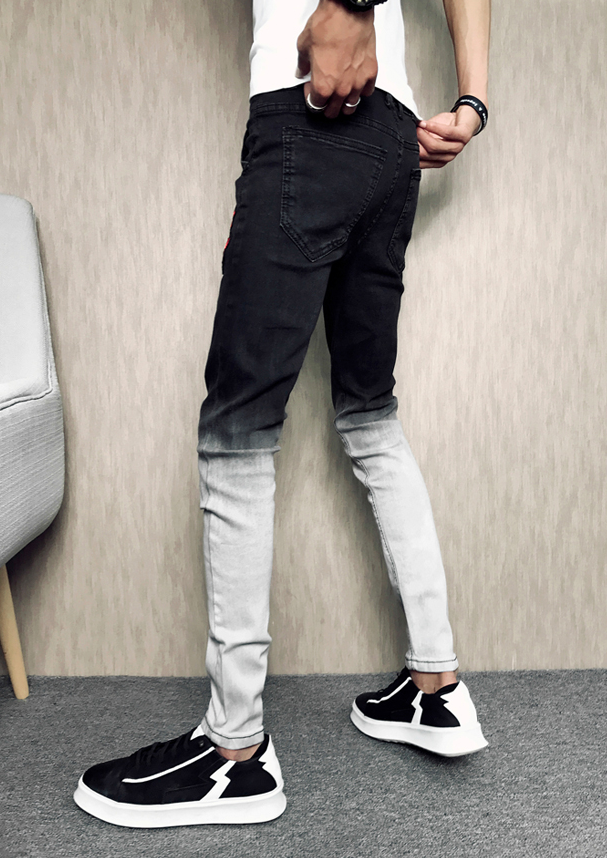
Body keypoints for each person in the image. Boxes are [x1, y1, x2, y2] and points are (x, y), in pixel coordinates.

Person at [73, 0, 491, 828]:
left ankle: (233, 755)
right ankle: (434, 686)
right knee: (369, 414)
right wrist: (473, 102)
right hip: (392, 140)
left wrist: (348, 6)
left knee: (237, 431)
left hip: (313, 107)